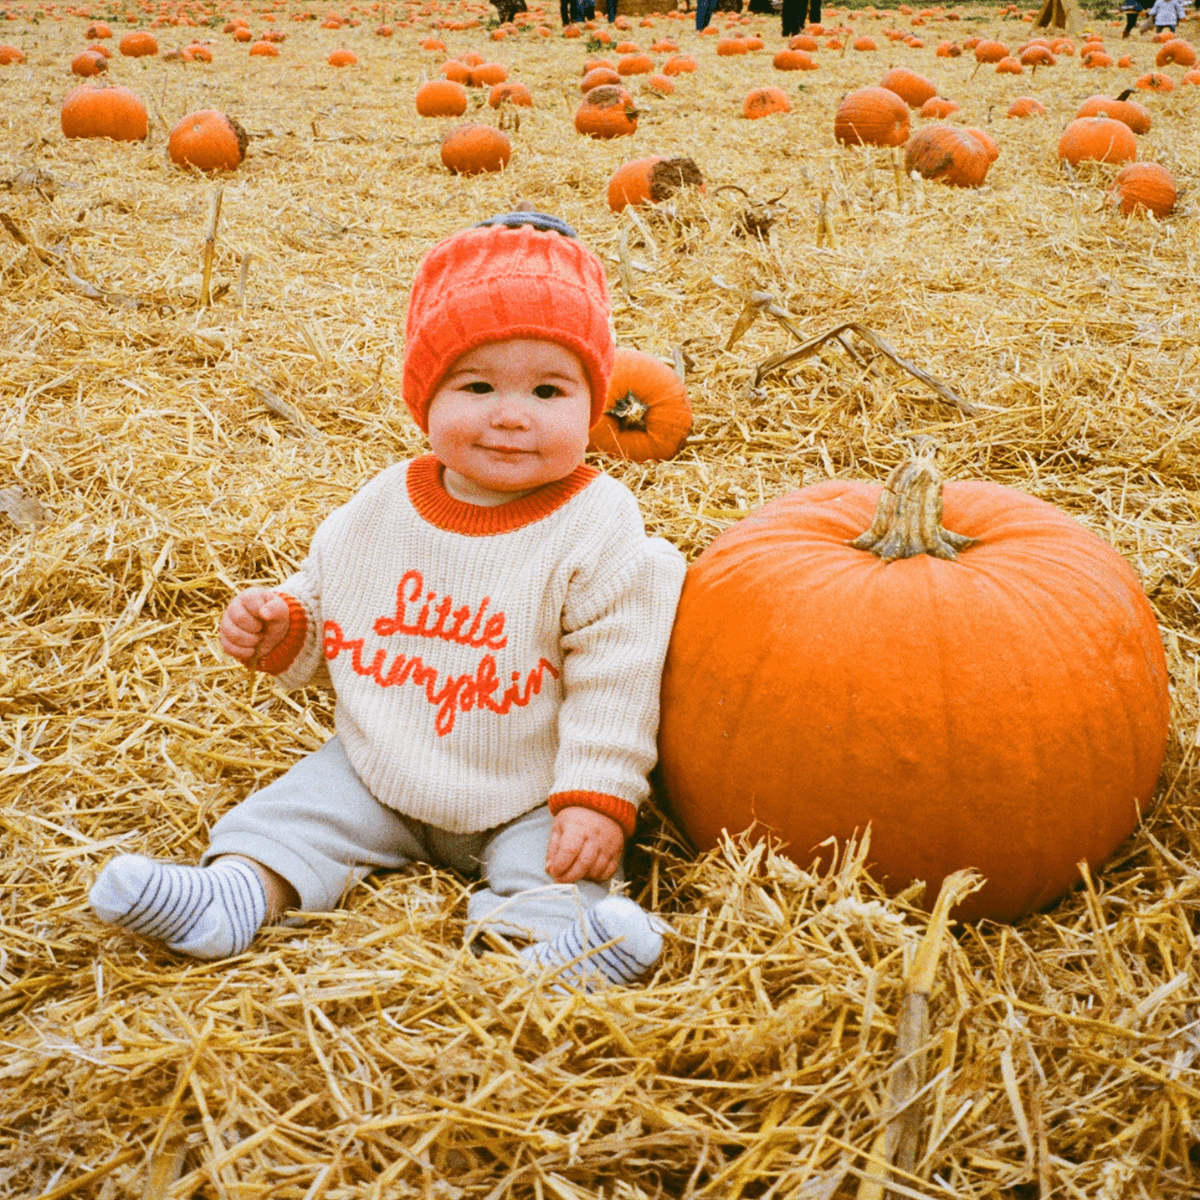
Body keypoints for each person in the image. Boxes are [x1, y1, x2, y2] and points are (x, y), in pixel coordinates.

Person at [89, 211, 688, 991]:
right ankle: (233, 895)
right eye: (477, 386)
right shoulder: (384, 503)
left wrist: (596, 800)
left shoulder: (600, 524)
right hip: (385, 768)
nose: (511, 414)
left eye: (548, 388)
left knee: (554, 869)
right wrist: (286, 623)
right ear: (424, 397)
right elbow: (334, 591)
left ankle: (556, 953)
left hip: (531, 787)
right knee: (297, 810)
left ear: (593, 405)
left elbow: (620, 672)